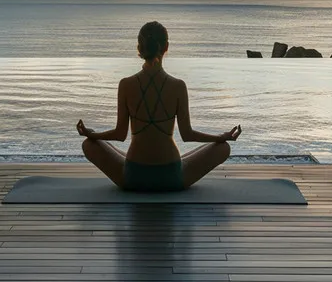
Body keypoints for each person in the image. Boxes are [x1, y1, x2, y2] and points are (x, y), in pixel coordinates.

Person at [76, 21, 242, 192]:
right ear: (166, 47)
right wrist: (221, 137)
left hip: (133, 176)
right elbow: (187, 134)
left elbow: (120, 134)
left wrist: (92, 134)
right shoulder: (178, 86)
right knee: (223, 147)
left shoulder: (126, 84)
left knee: (90, 143)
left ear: (139, 48)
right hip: (171, 177)